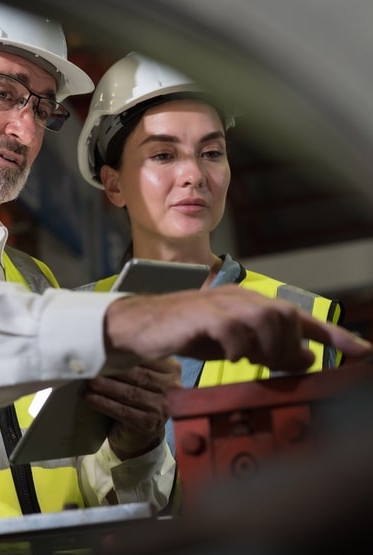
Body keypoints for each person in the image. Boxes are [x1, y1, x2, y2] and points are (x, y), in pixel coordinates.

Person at [0, 0, 372, 540]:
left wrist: (136, 447)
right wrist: (117, 325)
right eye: (4, 93)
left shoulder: (38, 286)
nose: (27, 130)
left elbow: (102, 496)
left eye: (42, 107)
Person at [76, 52, 344, 470]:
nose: (195, 176)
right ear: (114, 185)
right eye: (163, 155)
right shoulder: (72, 320)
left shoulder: (297, 316)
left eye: (212, 152)